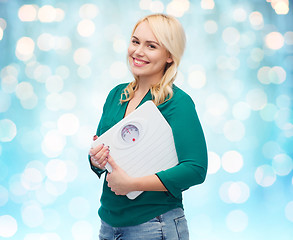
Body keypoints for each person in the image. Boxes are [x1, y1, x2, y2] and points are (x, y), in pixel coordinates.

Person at [89, 13, 208, 240]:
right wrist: (96, 159)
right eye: (135, 41)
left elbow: (195, 169)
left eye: (151, 46)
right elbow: (103, 154)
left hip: (154, 224)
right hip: (108, 222)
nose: (138, 51)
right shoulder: (117, 95)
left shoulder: (177, 102)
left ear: (170, 56)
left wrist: (132, 184)